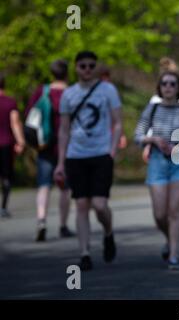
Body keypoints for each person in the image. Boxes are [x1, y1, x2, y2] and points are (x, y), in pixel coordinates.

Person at [54, 51, 122, 271]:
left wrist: (112, 150)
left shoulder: (107, 90)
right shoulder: (68, 95)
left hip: (101, 154)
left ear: (96, 67)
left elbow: (117, 122)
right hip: (76, 156)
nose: (87, 69)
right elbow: (64, 130)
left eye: (91, 65)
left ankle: (108, 232)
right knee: (81, 204)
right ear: (76, 68)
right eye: (82, 66)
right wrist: (61, 162)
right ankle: (84, 253)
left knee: (100, 205)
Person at [134, 71, 179, 270]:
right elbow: (138, 135)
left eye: (172, 84)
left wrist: (178, 148)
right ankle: (170, 240)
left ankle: (174, 256)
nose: (168, 87)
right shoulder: (151, 109)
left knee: (174, 212)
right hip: (157, 163)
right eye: (164, 84)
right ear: (159, 87)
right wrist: (152, 139)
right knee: (160, 214)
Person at [26, 59, 74, 241]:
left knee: (44, 185)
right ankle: (63, 225)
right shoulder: (71, 93)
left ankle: (41, 220)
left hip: (44, 145)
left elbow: (30, 115)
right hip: (67, 147)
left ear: (52, 73)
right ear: (67, 73)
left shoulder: (42, 91)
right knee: (64, 188)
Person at [0, 74, 25, 218]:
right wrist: (20, 141)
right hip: (6, 144)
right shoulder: (10, 102)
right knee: (6, 176)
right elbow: (14, 122)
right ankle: (3, 207)